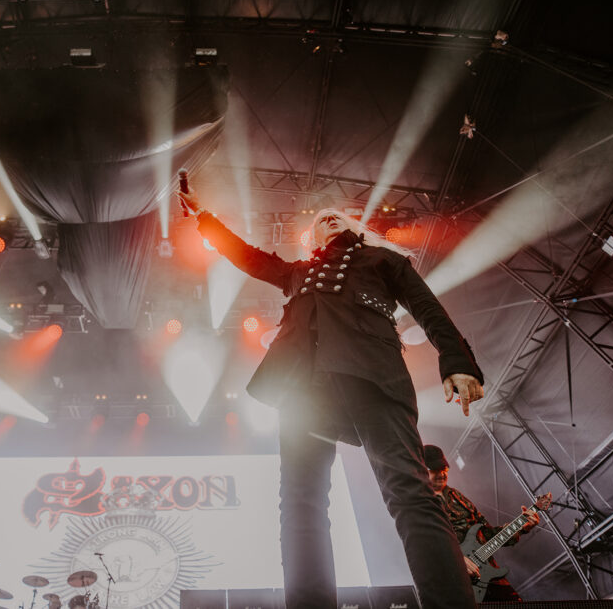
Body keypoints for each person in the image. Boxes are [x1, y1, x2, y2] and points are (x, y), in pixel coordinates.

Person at [178, 188, 485, 609]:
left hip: (374, 377)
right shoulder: (298, 272)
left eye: (336, 215)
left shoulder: (384, 261)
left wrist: (456, 359)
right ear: (312, 238)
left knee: (409, 491)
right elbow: (246, 255)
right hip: (304, 388)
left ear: (355, 226)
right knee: (300, 501)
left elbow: (427, 308)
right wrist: (205, 220)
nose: (329, 218)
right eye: (320, 218)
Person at [424, 445, 540, 603]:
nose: (442, 473)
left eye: (444, 468)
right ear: (422, 471)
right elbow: (423, 547)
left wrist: (520, 527)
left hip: (488, 576)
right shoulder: (421, 503)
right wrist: (456, 560)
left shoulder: (458, 497)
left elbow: (487, 534)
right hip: (453, 584)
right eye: (435, 469)